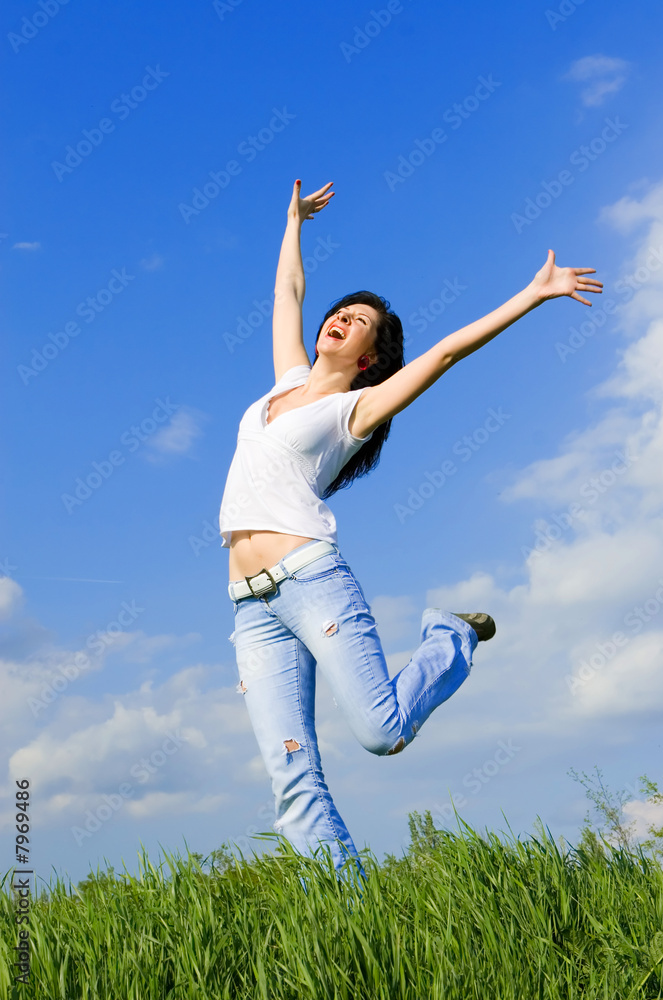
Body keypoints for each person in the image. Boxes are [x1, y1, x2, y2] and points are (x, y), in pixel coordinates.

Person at [219, 179, 603, 885]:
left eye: (358, 320)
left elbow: (448, 353)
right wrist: (292, 223)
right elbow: (288, 295)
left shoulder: (355, 408)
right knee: (290, 778)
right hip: (250, 607)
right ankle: (344, 923)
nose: (341, 318)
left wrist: (532, 293)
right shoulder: (283, 383)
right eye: (341, 312)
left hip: (309, 581)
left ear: (370, 355)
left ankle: (449, 636)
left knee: (380, 731)